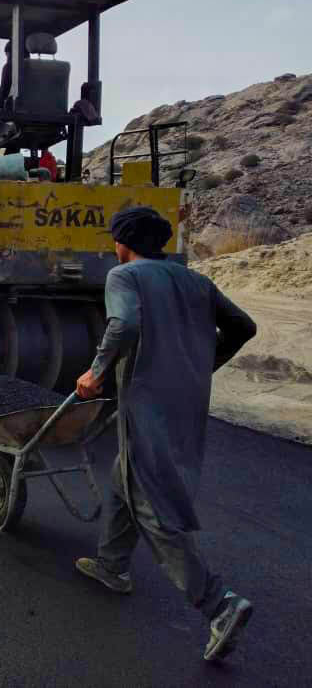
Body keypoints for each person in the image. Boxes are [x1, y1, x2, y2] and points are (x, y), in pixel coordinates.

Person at [74, 206, 257, 663]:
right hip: (187, 401)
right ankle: (112, 565)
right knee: (128, 474)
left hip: (146, 402)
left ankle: (218, 605)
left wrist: (96, 373)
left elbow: (125, 324)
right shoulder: (192, 279)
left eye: (114, 239)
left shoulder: (125, 276)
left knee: (152, 503)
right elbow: (244, 327)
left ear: (124, 242)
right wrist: (203, 364)